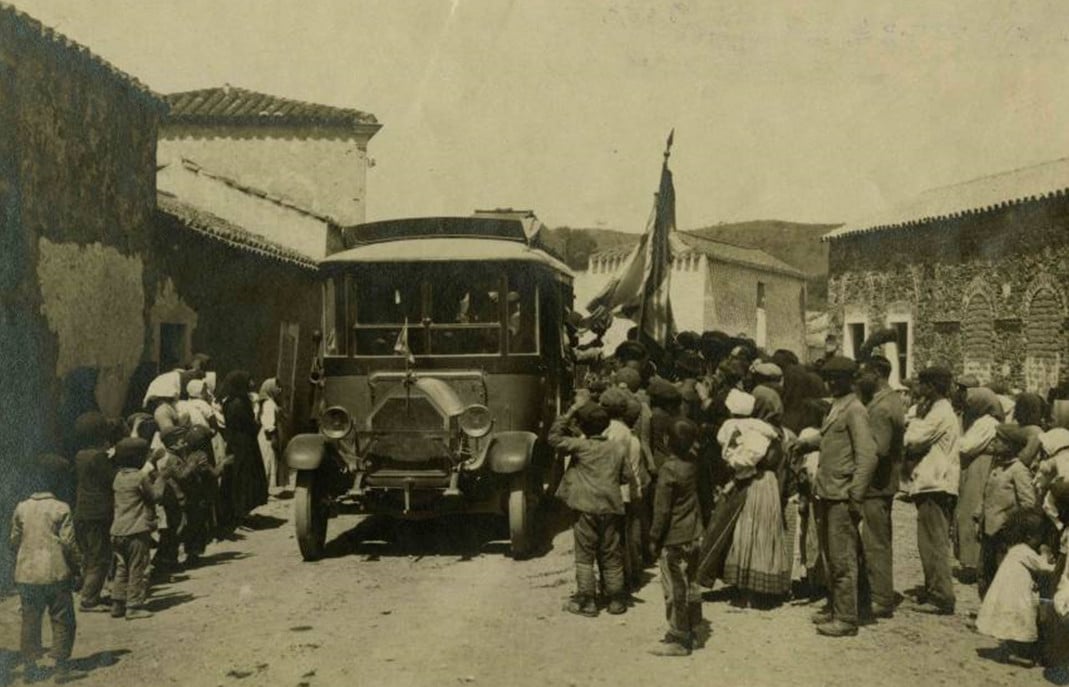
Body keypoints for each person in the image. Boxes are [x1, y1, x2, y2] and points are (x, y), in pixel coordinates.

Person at [810, 356, 877, 637]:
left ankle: (847, 617)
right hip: (828, 491)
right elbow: (831, 439)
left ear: (848, 380)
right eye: (829, 378)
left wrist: (856, 495)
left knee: (843, 557)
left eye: (836, 378)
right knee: (831, 554)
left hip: (841, 494)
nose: (831, 383)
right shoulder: (839, 406)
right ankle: (838, 605)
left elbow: (868, 456)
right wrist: (804, 444)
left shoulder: (855, 410)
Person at [550, 399, 633, 617]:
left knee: (585, 553)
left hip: (585, 507)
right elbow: (626, 477)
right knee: (611, 552)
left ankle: (587, 600)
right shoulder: (617, 448)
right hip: (610, 506)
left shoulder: (580, 446)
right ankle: (616, 599)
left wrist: (570, 412)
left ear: (583, 427)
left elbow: (554, 438)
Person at [11, 454, 82, 680]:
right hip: (55, 572)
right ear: (59, 482)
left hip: (27, 573)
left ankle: (30, 668)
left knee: (30, 620)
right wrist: (78, 566)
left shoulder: (21, 508)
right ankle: (61, 667)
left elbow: (14, 540)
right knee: (62, 619)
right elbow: (69, 543)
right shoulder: (61, 508)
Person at [720, 386, 792, 607]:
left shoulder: (755, 433)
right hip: (771, 485)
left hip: (756, 483)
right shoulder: (781, 432)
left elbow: (747, 460)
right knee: (765, 533)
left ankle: (748, 591)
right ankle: (765, 589)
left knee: (749, 532)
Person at [903, 366, 962, 615]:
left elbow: (912, 439)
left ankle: (941, 596)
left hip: (935, 483)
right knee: (928, 540)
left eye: (922, 383)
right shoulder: (935, 410)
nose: (918, 388)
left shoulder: (940, 413)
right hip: (931, 482)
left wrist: (912, 423)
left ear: (932, 387)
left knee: (933, 541)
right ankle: (934, 589)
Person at [855, 356, 906, 620]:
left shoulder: (883, 406)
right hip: (882, 483)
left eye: (862, 373)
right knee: (877, 539)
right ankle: (876, 594)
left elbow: (878, 449)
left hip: (877, 484)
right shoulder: (888, 400)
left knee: (875, 541)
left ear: (876, 374)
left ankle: (881, 598)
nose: (859, 378)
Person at [649, 418, 703, 657]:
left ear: (667, 441)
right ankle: (692, 626)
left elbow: (662, 510)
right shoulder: (693, 464)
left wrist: (653, 537)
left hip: (674, 538)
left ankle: (679, 637)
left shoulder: (669, 470)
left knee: (674, 587)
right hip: (694, 533)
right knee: (690, 582)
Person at [977, 508, 1056, 667]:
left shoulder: (1015, 549)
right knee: (1020, 623)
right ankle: (1015, 653)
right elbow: (1045, 567)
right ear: (1029, 537)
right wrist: (1046, 554)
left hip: (1011, 592)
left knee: (1013, 624)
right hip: (1017, 596)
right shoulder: (1025, 552)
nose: (1041, 541)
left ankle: (1013, 649)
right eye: (1039, 538)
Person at [975, 425, 1038, 599]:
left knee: (1001, 576)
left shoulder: (1018, 470)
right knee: (984, 573)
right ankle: (985, 614)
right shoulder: (996, 465)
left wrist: (1012, 523)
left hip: (1004, 533)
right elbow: (987, 494)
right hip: (989, 528)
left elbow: (1028, 503)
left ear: (1010, 445)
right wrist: (979, 516)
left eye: (999, 439)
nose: (994, 442)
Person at [110, 437, 166, 620]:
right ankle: (133, 605)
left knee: (122, 567)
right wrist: (162, 478)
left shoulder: (118, 477)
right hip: (136, 529)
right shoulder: (140, 477)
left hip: (118, 530)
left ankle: (118, 603)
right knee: (138, 567)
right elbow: (155, 496)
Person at [600, 387, 649, 592]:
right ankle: (632, 576)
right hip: (629, 490)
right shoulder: (629, 433)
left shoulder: (611, 432)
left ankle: (617, 583)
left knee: (614, 541)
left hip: (615, 491)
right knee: (629, 536)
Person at [955, 387, 1005, 582]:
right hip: (976, 466)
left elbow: (967, 446)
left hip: (979, 467)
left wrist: (956, 440)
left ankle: (974, 561)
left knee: (970, 511)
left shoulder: (987, 423)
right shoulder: (981, 421)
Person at [71, 411, 115, 612]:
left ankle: (89, 592)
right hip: (98, 511)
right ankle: (89, 599)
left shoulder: (80, 455)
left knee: (90, 554)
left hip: (83, 510)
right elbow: (111, 478)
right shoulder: (99, 457)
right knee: (101, 556)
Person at [218, 370, 268, 531]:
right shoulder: (240, 403)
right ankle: (240, 515)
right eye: (248, 381)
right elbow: (248, 425)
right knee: (243, 479)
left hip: (236, 444)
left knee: (235, 479)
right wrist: (258, 421)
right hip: (244, 446)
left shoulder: (229, 402)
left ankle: (237, 514)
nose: (252, 384)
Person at [256, 378, 286, 493]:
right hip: (268, 436)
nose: (279, 389)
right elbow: (268, 422)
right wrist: (273, 437)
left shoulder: (272, 402)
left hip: (272, 435)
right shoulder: (268, 404)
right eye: (277, 386)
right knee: (268, 460)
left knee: (272, 460)